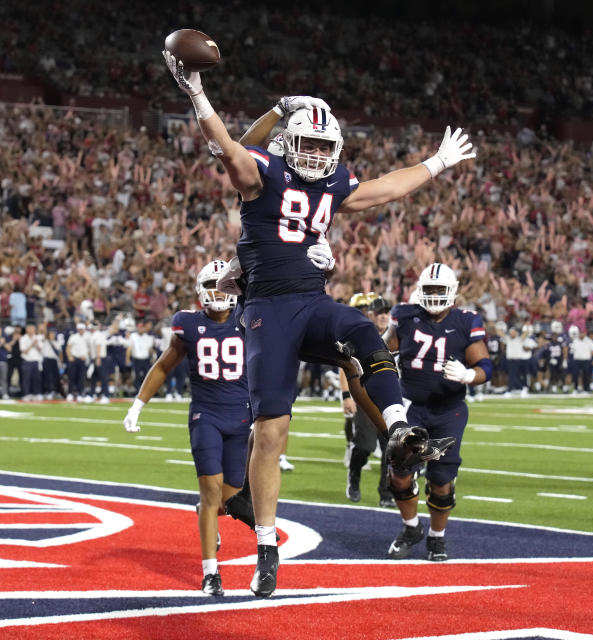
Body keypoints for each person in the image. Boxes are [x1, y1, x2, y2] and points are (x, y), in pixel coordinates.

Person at [163, 50, 473, 597]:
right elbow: (229, 149)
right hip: (265, 312)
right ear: (288, 142)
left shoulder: (333, 183)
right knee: (272, 434)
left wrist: (437, 163)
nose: (317, 154)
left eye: (326, 147)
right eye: (308, 143)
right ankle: (265, 546)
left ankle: (398, 426)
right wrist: (197, 94)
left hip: (311, 301)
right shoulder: (266, 172)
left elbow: (383, 189)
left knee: (362, 330)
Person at [123, 260, 251, 597]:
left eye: (223, 284)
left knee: (232, 494)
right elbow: (165, 365)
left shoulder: (250, 319)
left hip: (241, 417)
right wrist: (139, 404)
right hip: (206, 416)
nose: (218, 291)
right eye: (211, 284)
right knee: (210, 494)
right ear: (199, 292)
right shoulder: (188, 325)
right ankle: (211, 572)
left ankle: (205, 514)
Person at [382, 263, 490, 561]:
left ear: (451, 291)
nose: (432, 296)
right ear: (419, 289)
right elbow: (382, 352)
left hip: (448, 410)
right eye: (428, 289)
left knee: (441, 479)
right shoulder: (404, 316)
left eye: (439, 290)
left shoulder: (466, 321)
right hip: (410, 407)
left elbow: (485, 367)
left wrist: (469, 375)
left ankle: (437, 537)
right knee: (399, 474)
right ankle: (410, 527)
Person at [341, 292, 395, 507]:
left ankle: (386, 493)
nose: (383, 316)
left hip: (390, 399)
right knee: (365, 446)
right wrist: (347, 395)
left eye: (386, 312)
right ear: (371, 314)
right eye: (380, 312)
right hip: (365, 397)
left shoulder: (397, 336)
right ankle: (354, 478)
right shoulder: (361, 334)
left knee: (392, 449)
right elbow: (345, 365)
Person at [65, 323, 91, 402]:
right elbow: (68, 347)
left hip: (83, 360)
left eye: (82, 329)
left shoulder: (88, 337)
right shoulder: (73, 337)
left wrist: (86, 355)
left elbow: (90, 349)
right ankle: (70, 393)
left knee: (81, 378)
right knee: (72, 377)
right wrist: (70, 357)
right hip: (74, 359)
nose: (81, 331)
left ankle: (80, 394)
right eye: (79, 329)